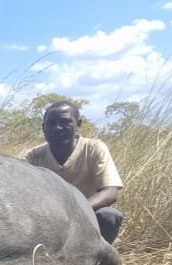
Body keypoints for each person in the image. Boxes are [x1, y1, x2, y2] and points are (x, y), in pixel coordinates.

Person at [23, 101, 124, 243]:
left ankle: (101, 260)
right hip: (49, 219)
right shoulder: (34, 156)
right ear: (44, 128)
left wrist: (75, 211)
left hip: (87, 216)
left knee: (108, 216)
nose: (57, 128)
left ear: (78, 125)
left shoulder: (94, 148)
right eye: (51, 123)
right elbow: (15, 183)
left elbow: (110, 192)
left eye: (65, 122)